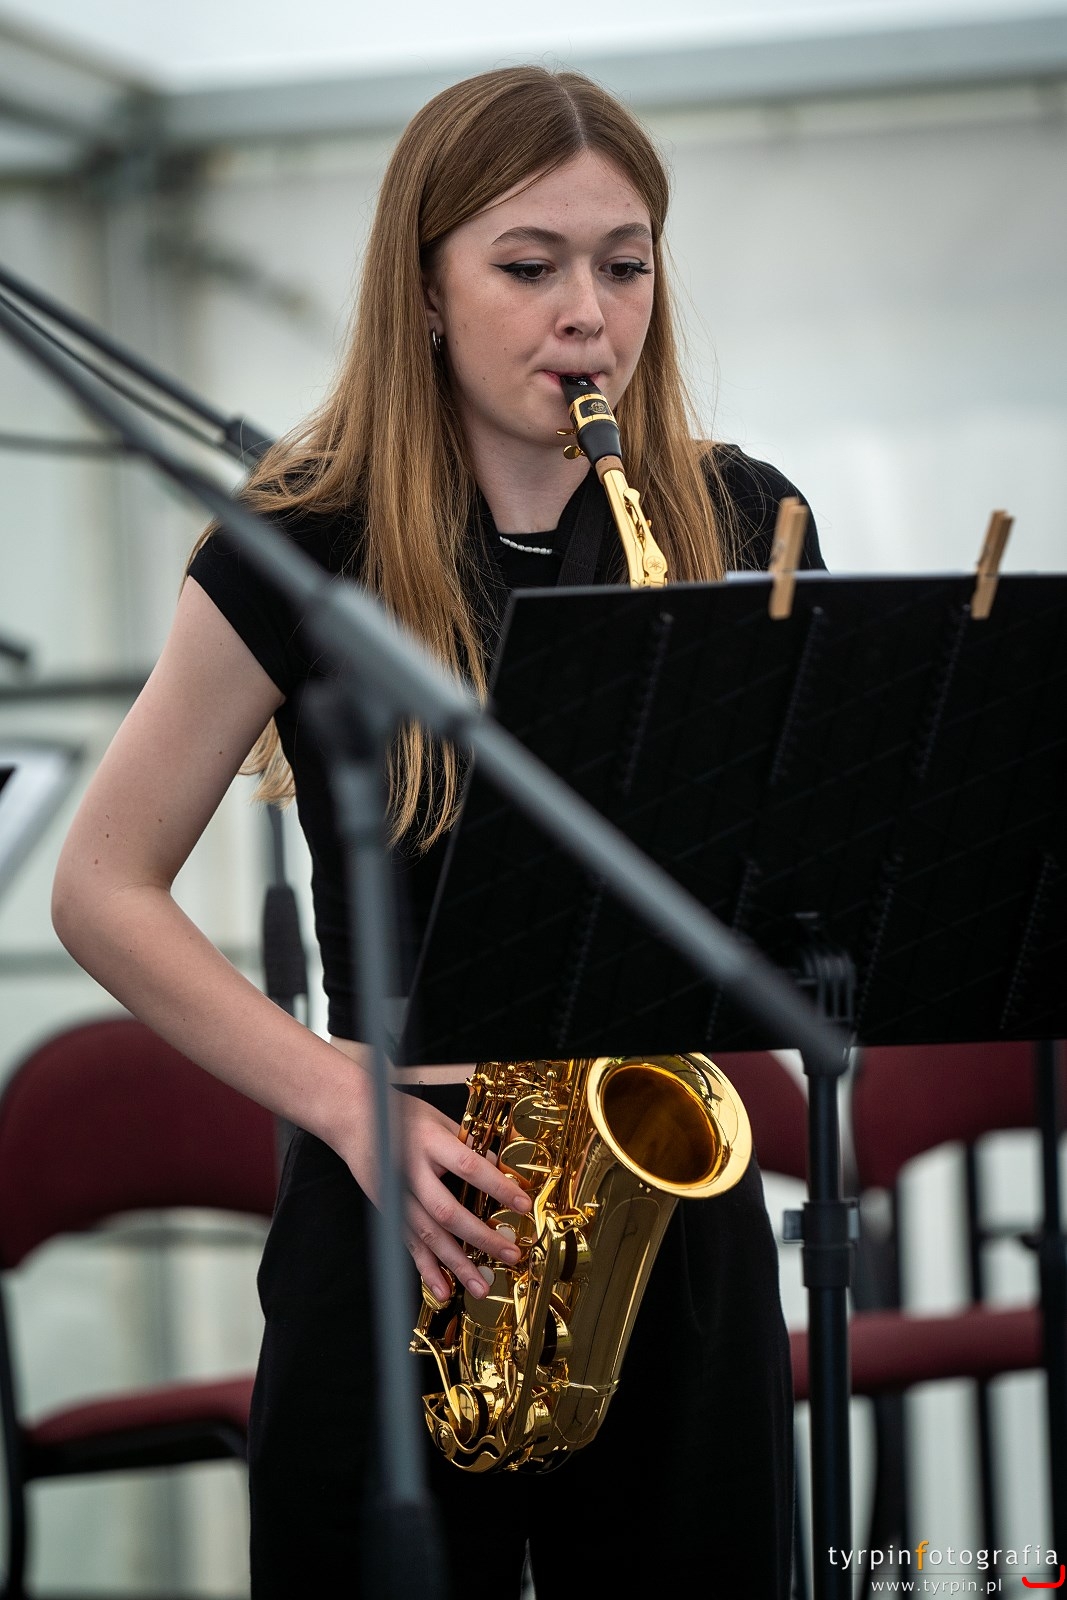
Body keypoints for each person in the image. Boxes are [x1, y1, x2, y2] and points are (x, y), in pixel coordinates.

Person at [52, 65, 823, 1599]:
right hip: (399, 1194)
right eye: (529, 268)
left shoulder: (745, 521)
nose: (588, 316)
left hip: (665, 1198)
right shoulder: (303, 540)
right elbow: (100, 885)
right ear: (422, 289)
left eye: (624, 265)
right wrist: (340, 1101)